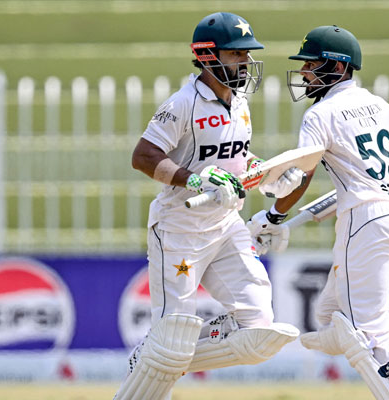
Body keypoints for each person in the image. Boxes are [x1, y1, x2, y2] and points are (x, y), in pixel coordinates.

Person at [247, 26, 389, 399]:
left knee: (363, 336)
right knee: (329, 322)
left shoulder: (320, 114)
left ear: (337, 67)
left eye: (311, 64)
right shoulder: (378, 104)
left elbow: (301, 177)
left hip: (364, 224)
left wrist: (273, 216)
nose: (304, 72)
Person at [114, 12, 304, 400]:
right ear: (208, 56)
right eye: (238, 55)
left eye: (247, 55)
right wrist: (195, 179)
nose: (247, 63)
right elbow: (144, 156)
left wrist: (266, 174)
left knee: (258, 326)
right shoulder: (182, 103)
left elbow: (237, 156)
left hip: (226, 225)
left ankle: (158, 357)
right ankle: (160, 356)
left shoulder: (240, 101)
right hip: (179, 230)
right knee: (172, 330)